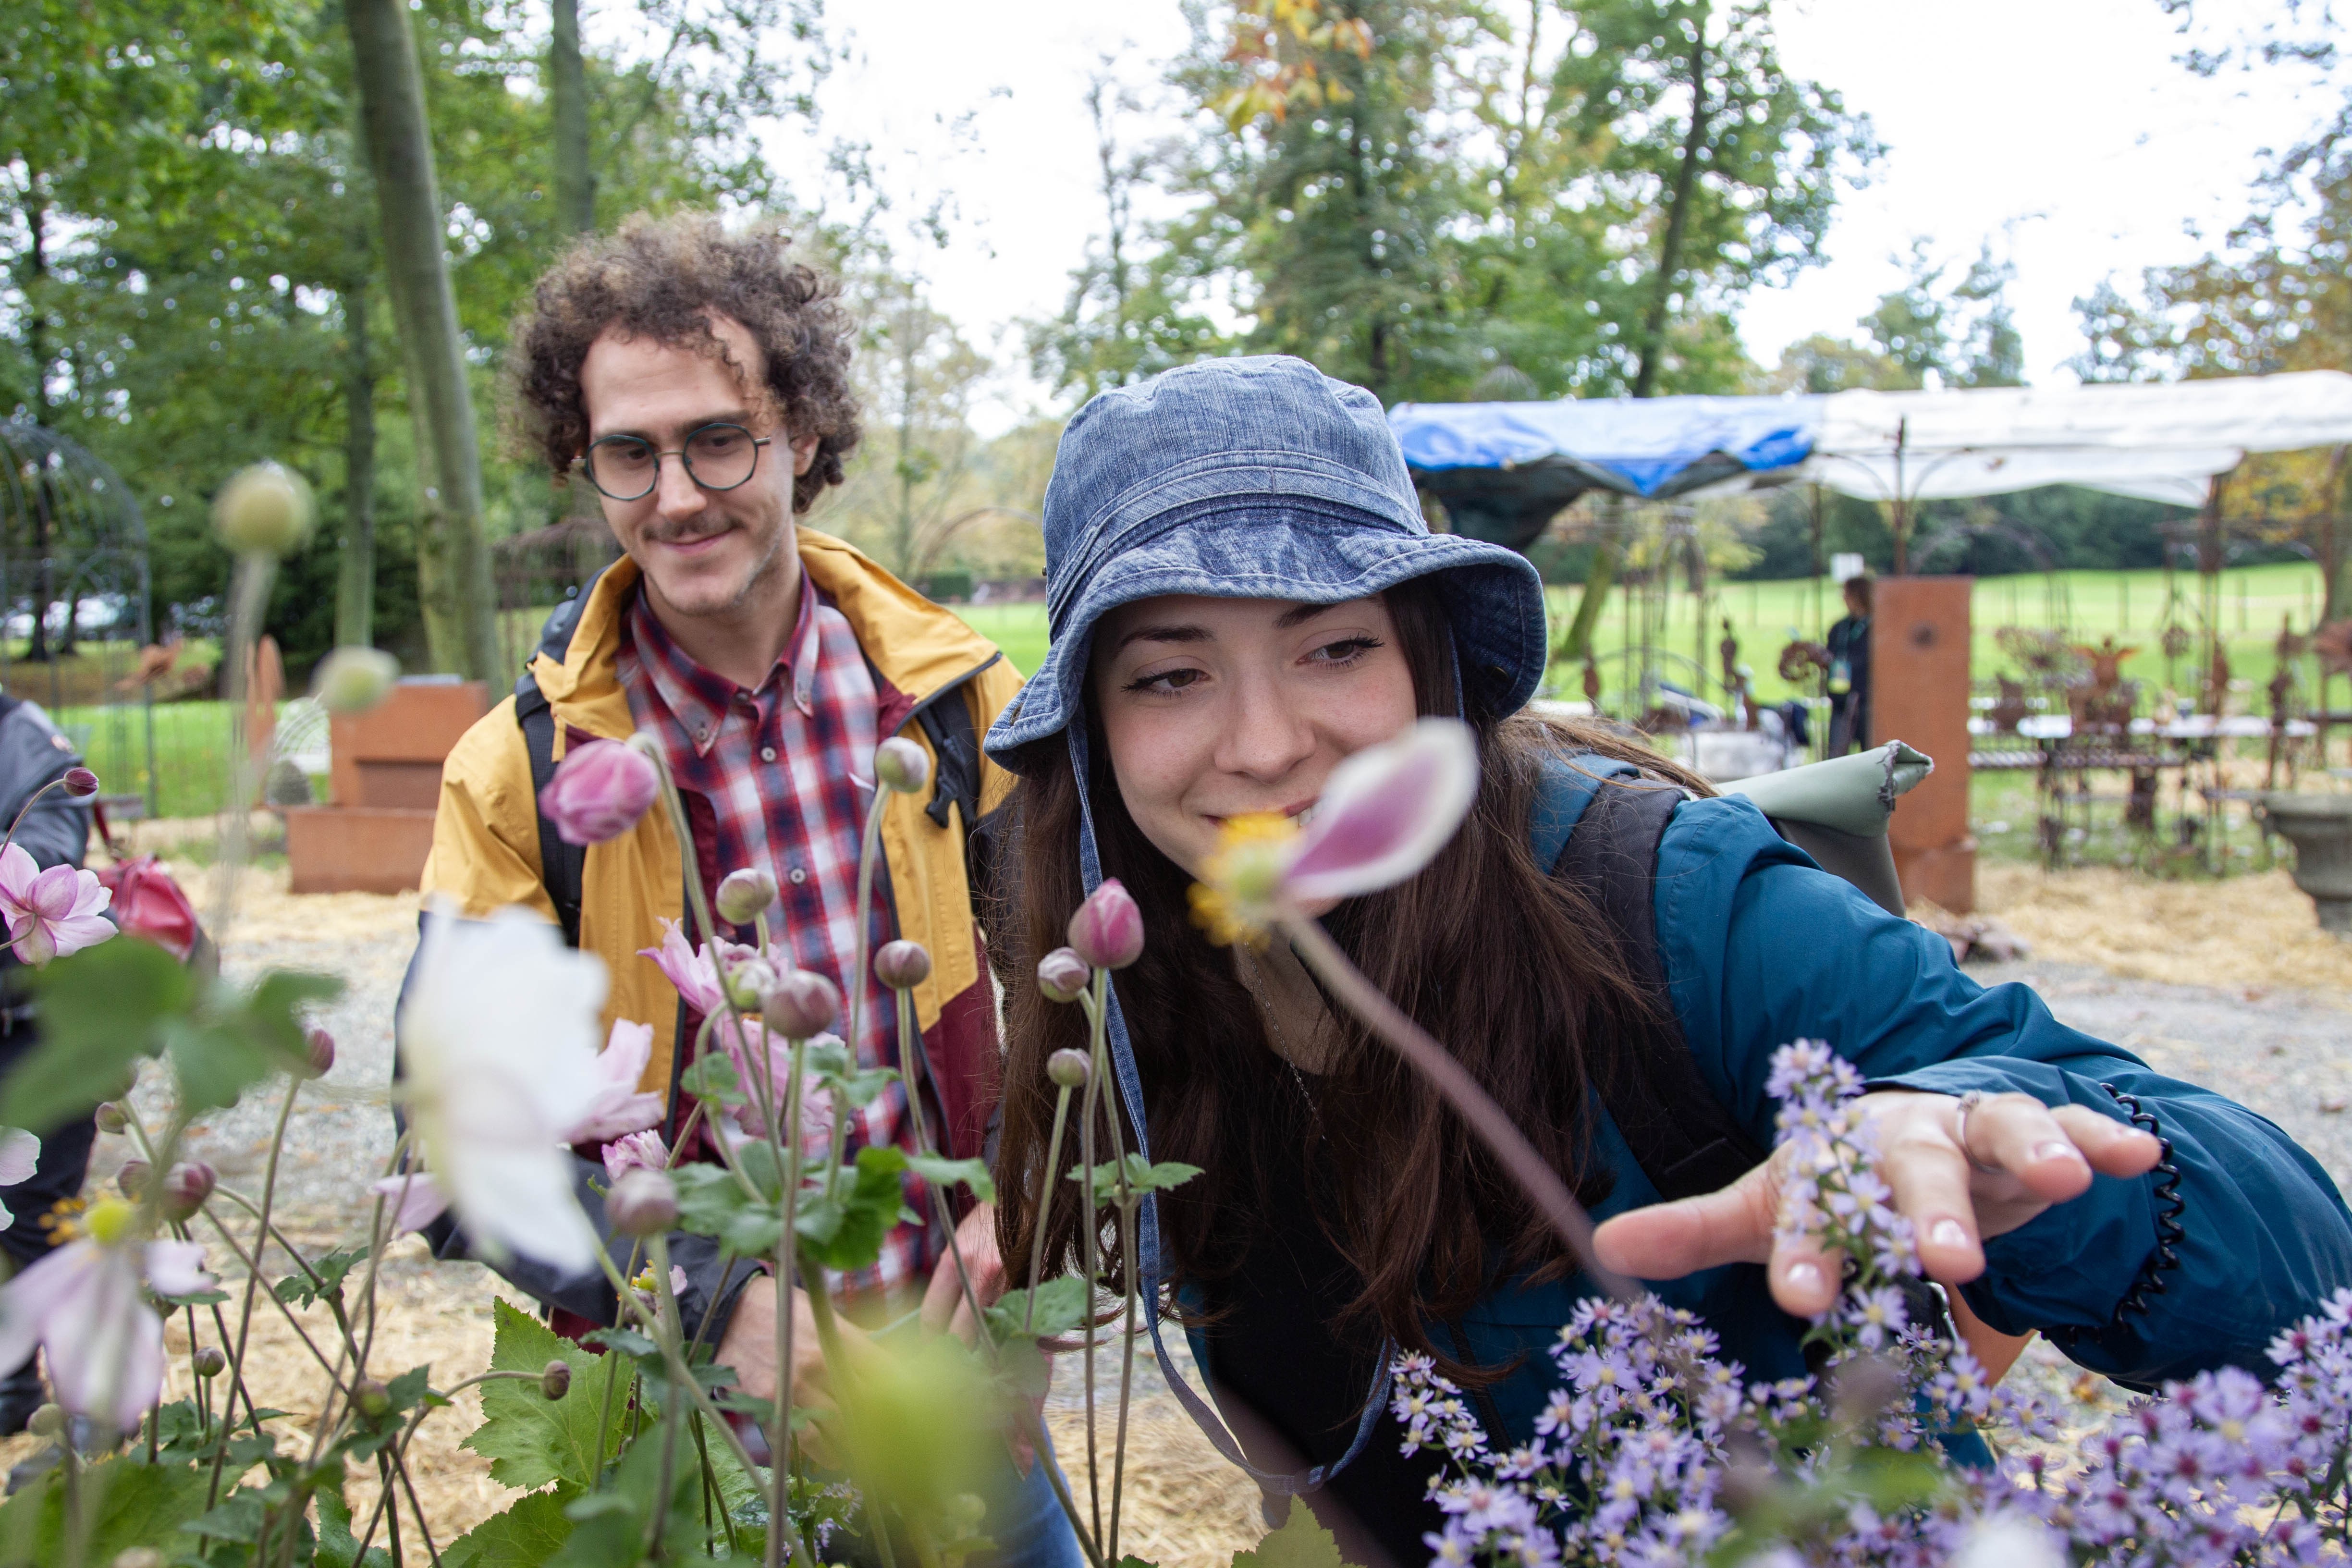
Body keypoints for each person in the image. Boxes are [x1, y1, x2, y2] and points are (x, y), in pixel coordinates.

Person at [977, 356, 2352, 1566]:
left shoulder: (1666, 905)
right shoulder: (1128, 977)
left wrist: (2014, 1169)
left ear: (1427, 667)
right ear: (1091, 733)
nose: (1266, 745)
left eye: (1333, 646)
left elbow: (2296, 1263)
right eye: (1172, 674)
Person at [414, 213, 1077, 1566]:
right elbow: (454, 1132)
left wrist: (1030, 1209)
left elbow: (1115, 1007)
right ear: (582, 462)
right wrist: (717, 1303)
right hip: (689, 1446)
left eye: (722, 440)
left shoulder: (961, 711)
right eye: (630, 453)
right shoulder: (517, 772)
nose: (676, 495)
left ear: (806, 443)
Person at [0, 695, 98, 1432]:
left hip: (42, 1023)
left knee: (37, 1212)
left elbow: (53, 851)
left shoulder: (25, 739)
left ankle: (96, 1403)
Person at [1825, 571, 1873, 755]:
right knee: (1836, 756)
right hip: (1840, 700)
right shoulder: (1840, 628)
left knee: (1870, 755)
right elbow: (1830, 654)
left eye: (1847, 593)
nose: (1844, 598)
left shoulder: (1876, 627)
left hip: (1866, 700)